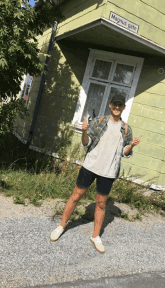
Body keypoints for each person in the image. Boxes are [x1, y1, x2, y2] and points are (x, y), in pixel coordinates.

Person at [50, 94, 142, 253]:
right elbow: (86, 143)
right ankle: (61, 226)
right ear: (110, 105)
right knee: (76, 195)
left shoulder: (126, 129)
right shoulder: (99, 121)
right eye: (115, 104)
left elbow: (125, 153)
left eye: (120, 105)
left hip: (108, 172)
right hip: (90, 166)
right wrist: (84, 132)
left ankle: (95, 236)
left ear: (124, 108)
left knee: (100, 203)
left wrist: (132, 145)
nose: (117, 107)